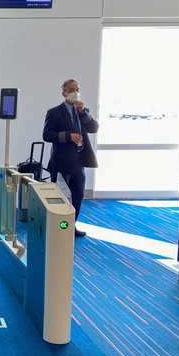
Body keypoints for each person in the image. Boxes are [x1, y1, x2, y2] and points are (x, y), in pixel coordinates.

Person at [43, 79, 99, 238]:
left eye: (77, 89)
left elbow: (94, 128)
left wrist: (83, 112)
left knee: (78, 195)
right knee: (60, 197)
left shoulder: (82, 111)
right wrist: (68, 136)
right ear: (64, 93)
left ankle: (70, 227)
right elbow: (47, 135)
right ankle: (57, 227)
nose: (75, 92)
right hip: (61, 163)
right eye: (71, 89)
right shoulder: (54, 112)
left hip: (79, 162)